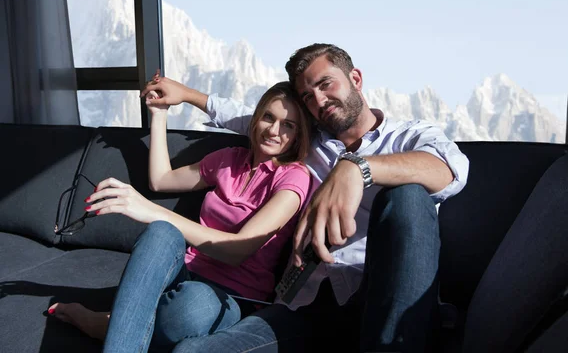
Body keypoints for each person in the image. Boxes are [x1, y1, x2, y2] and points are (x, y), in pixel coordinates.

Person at [140, 43, 470, 352]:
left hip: (382, 299)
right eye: (308, 96)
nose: (320, 100)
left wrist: (357, 168)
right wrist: (183, 94)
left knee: (407, 197)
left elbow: (449, 171)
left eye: (327, 84)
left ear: (355, 78)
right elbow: (254, 119)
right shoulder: (309, 142)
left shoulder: (410, 136)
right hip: (308, 304)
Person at [48, 81, 313, 353]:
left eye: (288, 125)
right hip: (185, 274)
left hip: (233, 297)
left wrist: (150, 210)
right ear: (256, 118)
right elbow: (161, 180)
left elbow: (239, 249)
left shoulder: (294, 178)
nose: (274, 130)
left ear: (297, 136)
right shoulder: (229, 160)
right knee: (161, 233)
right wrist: (159, 114)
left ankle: (106, 325)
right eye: (269, 117)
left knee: (194, 306)